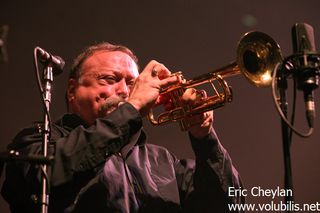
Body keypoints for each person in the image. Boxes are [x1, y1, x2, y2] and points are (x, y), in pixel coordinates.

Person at [1, 42, 244, 213]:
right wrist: (134, 105)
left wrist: (203, 135)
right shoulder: (39, 140)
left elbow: (230, 205)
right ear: (72, 91)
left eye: (131, 83)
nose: (124, 91)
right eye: (108, 79)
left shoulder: (163, 161)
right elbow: (43, 181)